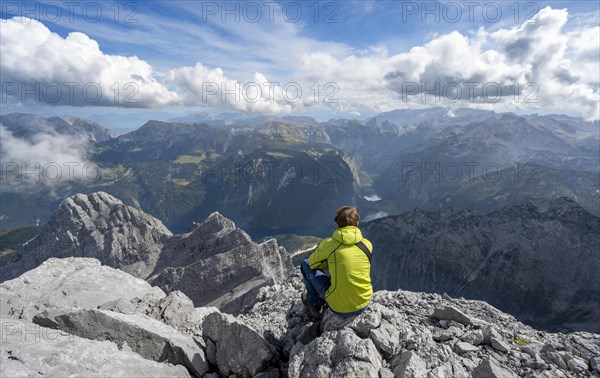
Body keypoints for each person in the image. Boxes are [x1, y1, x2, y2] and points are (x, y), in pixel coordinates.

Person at [300, 206, 373, 318]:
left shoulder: (329, 244)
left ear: (338, 224)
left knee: (305, 264)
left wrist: (328, 264)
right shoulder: (367, 245)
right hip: (364, 303)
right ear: (357, 223)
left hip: (339, 308)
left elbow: (312, 264)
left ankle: (314, 304)